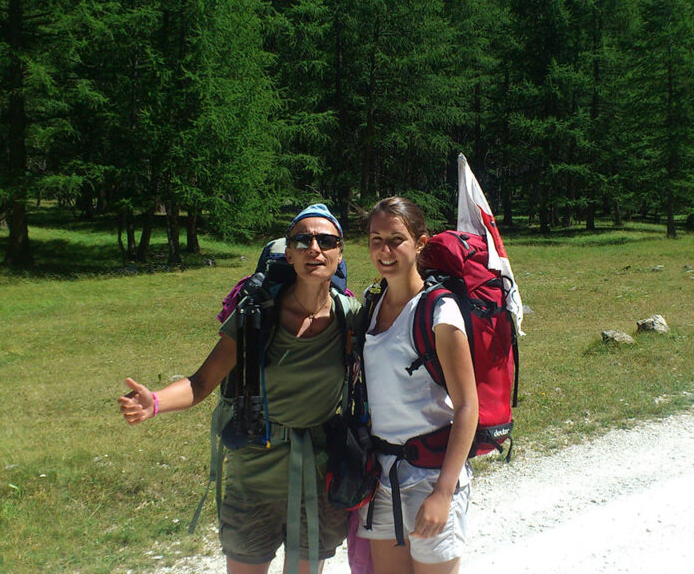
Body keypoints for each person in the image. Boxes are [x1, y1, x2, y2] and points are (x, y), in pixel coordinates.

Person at [117, 204, 360, 574]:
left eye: (326, 240)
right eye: (303, 240)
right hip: (254, 475)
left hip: (318, 477)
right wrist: (155, 403)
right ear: (290, 253)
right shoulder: (256, 316)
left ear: (339, 252)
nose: (315, 248)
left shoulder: (351, 316)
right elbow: (200, 383)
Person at [357, 197, 479, 574]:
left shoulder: (439, 311)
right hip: (381, 477)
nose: (385, 250)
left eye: (397, 239)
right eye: (376, 239)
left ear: (421, 243)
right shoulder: (371, 303)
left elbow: (466, 407)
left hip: (430, 476)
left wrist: (443, 494)